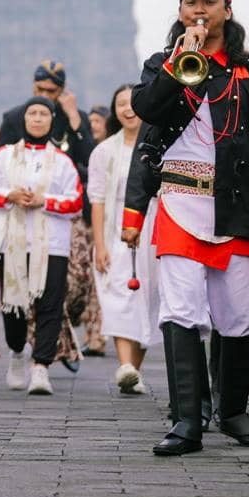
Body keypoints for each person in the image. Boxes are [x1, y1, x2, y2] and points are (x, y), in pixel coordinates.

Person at [123, 0, 249, 456]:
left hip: (237, 205)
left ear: (229, 7)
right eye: (190, 0)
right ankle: (187, 421)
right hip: (180, 204)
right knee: (180, 311)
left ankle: (233, 412)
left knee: (240, 314)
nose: (199, 10)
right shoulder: (164, 63)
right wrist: (185, 61)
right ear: (180, 8)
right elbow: (147, 111)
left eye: (209, 0)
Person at [0, 61, 104, 359]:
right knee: (25, 287)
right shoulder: (15, 118)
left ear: (62, 90)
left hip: (67, 218)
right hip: (24, 218)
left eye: (52, 91)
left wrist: (73, 118)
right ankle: (39, 349)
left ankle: (56, 338)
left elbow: (91, 163)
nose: (45, 96)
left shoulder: (75, 119)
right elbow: (3, 164)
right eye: (40, 89)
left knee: (74, 287)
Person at [0, 97, 83, 395]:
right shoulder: (4, 155)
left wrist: (44, 201)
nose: (37, 119)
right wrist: (10, 194)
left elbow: (75, 199)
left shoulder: (63, 161)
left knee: (50, 304)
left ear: (52, 120)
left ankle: (41, 368)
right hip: (13, 242)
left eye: (43, 114)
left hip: (52, 244)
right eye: (32, 113)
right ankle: (16, 352)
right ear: (23, 120)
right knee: (14, 307)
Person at [88, 85, 158, 394]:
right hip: (117, 232)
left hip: (153, 230)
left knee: (148, 297)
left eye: (133, 103)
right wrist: (100, 244)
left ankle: (134, 371)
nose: (128, 109)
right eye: (120, 104)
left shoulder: (159, 147)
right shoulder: (104, 151)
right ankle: (125, 365)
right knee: (119, 295)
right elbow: (98, 199)